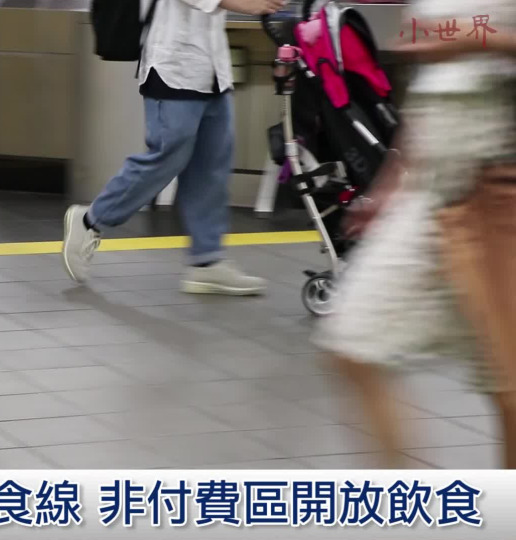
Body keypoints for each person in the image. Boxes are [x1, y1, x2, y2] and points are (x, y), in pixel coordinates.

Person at [314, 0, 516, 467]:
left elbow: (463, 48)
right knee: (352, 341)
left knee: (508, 387)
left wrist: (477, 39)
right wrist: (391, 180)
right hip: (430, 192)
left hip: (498, 187)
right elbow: (434, 88)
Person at [61, 0, 285, 295]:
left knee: (211, 164)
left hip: (213, 66)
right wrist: (245, 4)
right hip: (172, 64)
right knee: (167, 155)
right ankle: (91, 220)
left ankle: (207, 261)